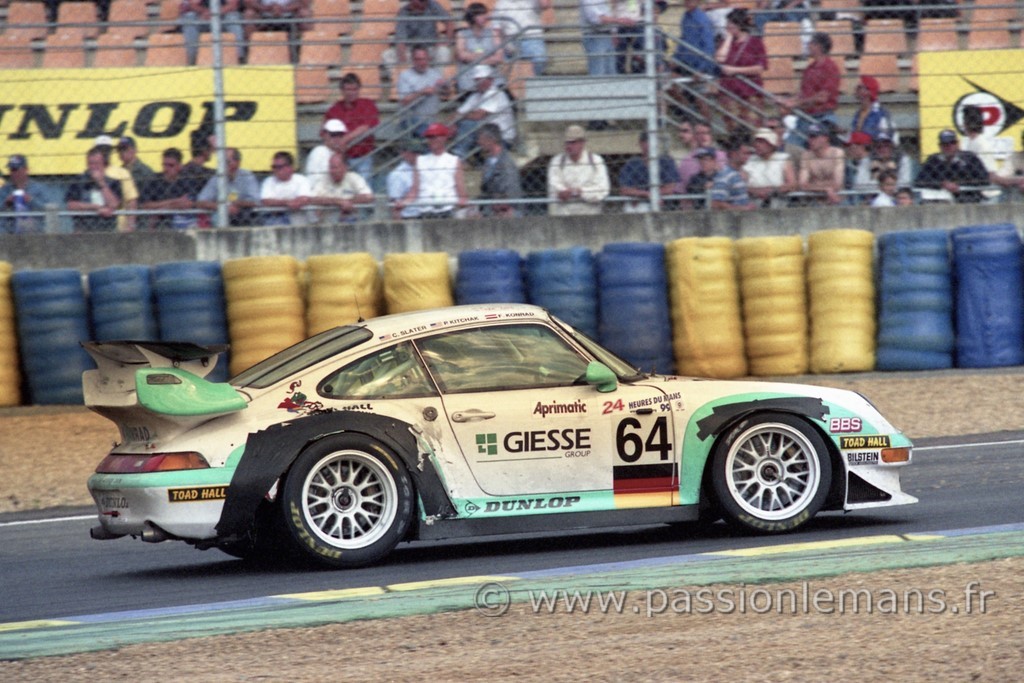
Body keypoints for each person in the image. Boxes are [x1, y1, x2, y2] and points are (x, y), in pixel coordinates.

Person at [783, 32, 840, 147]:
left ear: (818, 46)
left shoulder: (830, 68)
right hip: (806, 116)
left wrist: (795, 104)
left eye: (810, 43)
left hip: (821, 116)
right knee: (790, 146)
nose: (808, 46)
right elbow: (803, 94)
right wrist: (788, 101)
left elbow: (822, 98)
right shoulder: (810, 68)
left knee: (793, 146)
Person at [714, 8, 767, 131]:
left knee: (752, 126)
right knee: (733, 127)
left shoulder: (755, 43)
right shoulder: (726, 42)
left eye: (730, 24)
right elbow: (720, 59)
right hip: (729, 91)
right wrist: (728, 38)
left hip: (750, 91)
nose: (727, 27)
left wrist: (735, 70)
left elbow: (759, 68)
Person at [324, 73, 381, 186]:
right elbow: (325, 134)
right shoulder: (334, 109)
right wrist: (336, 147)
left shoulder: (368, 104)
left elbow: (366, 127)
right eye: (347, 89)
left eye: (354, 89)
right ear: (342, 90)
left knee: (363, 187)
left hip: (363, 156)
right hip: (341, 157)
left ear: (359, 89)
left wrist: (345, 140)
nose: (351, 93)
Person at [451, 64, 516, 159]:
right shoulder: (475, 96)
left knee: (469, 124)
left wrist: (459, 118)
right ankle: (457, 153)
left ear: (491, 80)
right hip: (485, 134)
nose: (479, 83)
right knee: (459, 124)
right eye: (477, 80)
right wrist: (453, 122)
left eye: (482, 79)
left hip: (502, 137)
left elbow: (478, 116)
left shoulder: (495, 93)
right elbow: (457, 113)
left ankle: (458, 154)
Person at [404, 123, 468, 218]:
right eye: (429, 137)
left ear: (444, 138)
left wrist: (462, 202)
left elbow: (460, 188)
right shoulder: (420, 160)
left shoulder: (454, 160)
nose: (431, 140)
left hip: (447, 209)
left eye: (434, 137)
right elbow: (414, 189)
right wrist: (404, 202)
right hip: (425, 209)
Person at [669, 0, 717, 123]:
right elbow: (683, 40)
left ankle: (706, 127)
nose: (688, 2)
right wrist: (676, 58)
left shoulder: (702, 19)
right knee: (670, 83)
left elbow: (709, 46)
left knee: (700, 98)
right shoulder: (685, 17)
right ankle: (688, 115)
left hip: (699, 63)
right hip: (686, 61)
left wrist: (702, 68)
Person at [547, 123, 610, 216]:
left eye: (573, 142)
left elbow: (603, 190)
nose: (569, 146)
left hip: (590, 216)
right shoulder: (557, 162)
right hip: (564, 217)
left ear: (582, 143)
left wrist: (580, 192)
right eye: (567, 142)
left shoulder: (596, 161)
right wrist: (563, 193)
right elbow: (554, 187)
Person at [916, 129, 990, 204]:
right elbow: (919, 181)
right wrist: (942, 184)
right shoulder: (933, 160)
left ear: (957, 144)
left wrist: (959, 185)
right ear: (940, 146)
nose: (949, 146)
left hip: (967, 199)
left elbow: (984, 179)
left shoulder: (969, 158)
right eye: (945, 144)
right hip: (940, 201)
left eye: (952, 143)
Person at [960, 104, 1015, 203]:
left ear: (965, 124)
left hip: (988, 195)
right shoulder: (971, 142)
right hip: (978, 193)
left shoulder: (982, 144)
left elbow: (990, 174)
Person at [396, 44, 451, 138]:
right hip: (411, 120)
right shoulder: (405, 76)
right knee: (432, 137)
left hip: (430, 121)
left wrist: (445, 87)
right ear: (412, 60)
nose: (422, 62)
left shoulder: (435, 74)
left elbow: (446, 95)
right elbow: (404, 101)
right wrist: (421, 92)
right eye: (418, 59)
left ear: (428, 59)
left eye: (424, 59)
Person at [195, 147, 260, 227]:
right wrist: (223, 207)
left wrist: (237, 203)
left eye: (227, 162)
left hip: (244, 215)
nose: (223, 166)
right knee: (217, 217)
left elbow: (256, 201)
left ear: (237, 162)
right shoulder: (217, 178)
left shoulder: (247, 176)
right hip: (222, 215)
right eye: (221, 162)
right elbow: (200, 202)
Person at [617, 131, 681, 212]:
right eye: (647, 141)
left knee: (645, 208)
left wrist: (639, 193)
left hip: (662, 202)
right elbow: (625, 190)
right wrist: (648, 194)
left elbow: (670, 188)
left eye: (654, 141)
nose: (651, 144)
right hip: (638, 203)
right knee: (632, 208)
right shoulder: (633, 163)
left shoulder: (666, 161)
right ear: (641, 143)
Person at [65, 146, 124, 233]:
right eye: (90, 163)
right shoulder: (78, 182)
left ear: (104, 164)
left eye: (97, 163)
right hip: (83, 230)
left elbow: (114, 204)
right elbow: (71, 205)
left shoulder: (114, 183)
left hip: (107, 230)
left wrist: (102, 184)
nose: (93, 167)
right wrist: (95, 207)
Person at [138, 148, 200, 230]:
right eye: (164, 165)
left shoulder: (187, 181)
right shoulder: (154, 180)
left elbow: (187, 204)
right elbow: (145, 205)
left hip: (181, 222)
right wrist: (174, 201)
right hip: (159, 223)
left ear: (179, 166)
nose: (166, 169)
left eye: (171, 165)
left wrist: (160, 208)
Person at [386, 0, 455, 70]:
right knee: (387, 55)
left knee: (443, 51)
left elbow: (449, 22)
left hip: (431, 48)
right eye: (421, 1)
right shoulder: (403, 13)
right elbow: (400, 40)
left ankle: (438, 79)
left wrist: (446, 42)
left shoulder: (432, 5)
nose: (424, 2)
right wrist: (403, 61)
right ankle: (407, 79)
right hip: (411, 50)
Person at [306, 152, 374, 224]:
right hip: (327, 226)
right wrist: (338, 202)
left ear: (345, 167)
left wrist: (349, 202)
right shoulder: (324, 179)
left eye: (335, 167)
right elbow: (312, 199)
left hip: (352, 223)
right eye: (330, 167)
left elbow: (369, 197)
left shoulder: (354, 177)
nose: (332, 171)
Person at [454, 2, 505, 95]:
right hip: (469, 79)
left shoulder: (493, 33)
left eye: (485, 14)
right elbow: (461, 55)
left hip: (491, 77)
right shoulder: (462, 34)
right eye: (481, 14)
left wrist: (473, 57)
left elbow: (499, 57)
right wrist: (487, 58)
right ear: (473, 17)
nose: (485, 17)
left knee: (509, 102)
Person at [92, 134, 139, 232]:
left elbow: (131, 200)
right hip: (92, 226)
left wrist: (130, 226)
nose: (104, 153)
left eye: (107, 149)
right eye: (100, 149)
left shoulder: (121, 172)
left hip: (117, 227)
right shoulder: (88, 173)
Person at [492, 0, 551, 76]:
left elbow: (545, 4)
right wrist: (499, 50)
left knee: (540, 60)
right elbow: (496, 30)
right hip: (510, 40)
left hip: (532, 38)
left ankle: (534, 81)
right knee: (503, 66)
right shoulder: (501, 3)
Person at [477, 123, 524, 217]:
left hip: (507, 209)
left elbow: (512, 188)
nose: (478, 142)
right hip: (492, 207)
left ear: (491, 140)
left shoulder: (506, 162)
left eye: (481, 139)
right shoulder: (488, 161)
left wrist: (502, 206)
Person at [579, 0, 635, 78]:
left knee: (611, 72)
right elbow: (597, 19)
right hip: (595, 36)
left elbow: (608, 13)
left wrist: (613, 32)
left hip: (608, 35)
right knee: (598, 72)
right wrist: (619, 21)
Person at [180, 0, 245, 65]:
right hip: (202, 16)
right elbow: (193, 5)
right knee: (189, 18)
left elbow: (233, 5)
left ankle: (240, 58)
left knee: (233, 18)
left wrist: (215, 14)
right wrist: (205, 12)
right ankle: (191, 59)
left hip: (224, 15)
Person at [744, 127, 795, 208]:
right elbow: (741, 183)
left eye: (761, 142)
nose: (757, 145)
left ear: (771, 144)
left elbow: (792, 184)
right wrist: (756, 191)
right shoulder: (749, 160)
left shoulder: (783, 159)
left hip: (778, 202)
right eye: (756, 142)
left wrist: (772, 191)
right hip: (753, 201)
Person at [0, 155, 53, 234]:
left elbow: (49, 210)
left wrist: (31, 200)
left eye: (16, 170)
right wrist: (6, 202)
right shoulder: (5, 189)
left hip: (34, 229)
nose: (14, 173)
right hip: (9, 230)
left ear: (26, 170)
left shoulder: (39, 189)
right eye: (11, 170)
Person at [259, 151, 314, 225]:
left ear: (290, 167)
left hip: (301, 222)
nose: (276, 170)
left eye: (279, 167)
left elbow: (305, 198)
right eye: (274, 167)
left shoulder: (301, 179)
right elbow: (266, 201)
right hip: (276, 222)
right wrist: (287, 203)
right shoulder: (268, 181)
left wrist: (282, 204)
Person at [796, 123, 845, 205]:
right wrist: (826, 188)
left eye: (814, 137)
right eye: (809, 137)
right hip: (814, 200)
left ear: (825, 138)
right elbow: (802, 184)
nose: (810, 140)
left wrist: (814, 186)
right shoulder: (806, 155)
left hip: (836, 199)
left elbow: (837, 184)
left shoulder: (836, 153)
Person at [676, 120, 726, 191]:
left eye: (706, 133)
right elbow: (681, 189)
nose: (703, 136)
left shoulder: (722, 155)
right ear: (694, 136)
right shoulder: (686, 161)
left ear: (711, 135)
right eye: (699, 134)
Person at [710, 133, 756, 211]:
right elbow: (716, 203)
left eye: (749, 154)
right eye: (745, 153)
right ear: (733, 154)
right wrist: (743, 208)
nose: (748, 157)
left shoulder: (740, 173)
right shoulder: (725, 175)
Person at [849, 75, 896, 142]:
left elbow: (887, 137)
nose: (856, 89)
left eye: (859, 87)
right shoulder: (858, 114)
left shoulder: (881, 114)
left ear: (868, 91)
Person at [304, 119, 349, 186]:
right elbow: (317, 179)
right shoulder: (319, 151)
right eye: (333, 135)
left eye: (340, 135)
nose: (337, 138)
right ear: (325, 135)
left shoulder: (336, 153)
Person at [242, 0, 311, 41]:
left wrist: (284, 9)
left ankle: (307, 48)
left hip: (290, 14)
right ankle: (249, 51)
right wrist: (266, 8)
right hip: (263, 14)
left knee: (304, 13)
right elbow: (248, 2)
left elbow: (304, 3)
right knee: (249, 14)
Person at [844, 130, 874, 204]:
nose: (848, 149)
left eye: (850, 146)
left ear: (862, 147)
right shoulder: (851, 164)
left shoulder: (871, 163)